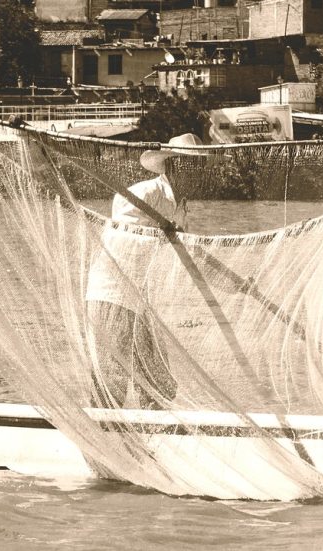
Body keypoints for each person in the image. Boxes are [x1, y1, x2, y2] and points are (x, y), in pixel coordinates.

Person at [85, 133, 206, 409]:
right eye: (191, 165)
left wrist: (238, 286)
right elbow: (120, 235)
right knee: (111, 377)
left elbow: (190, 253)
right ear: (173, 165)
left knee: (159, 380)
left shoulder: (180, 205)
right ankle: (101, 432)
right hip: (112, 293)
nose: (198, 172)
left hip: (139, 297)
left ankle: (152, 431)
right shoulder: (146, 192)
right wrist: (159, 233)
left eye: (200, 166)